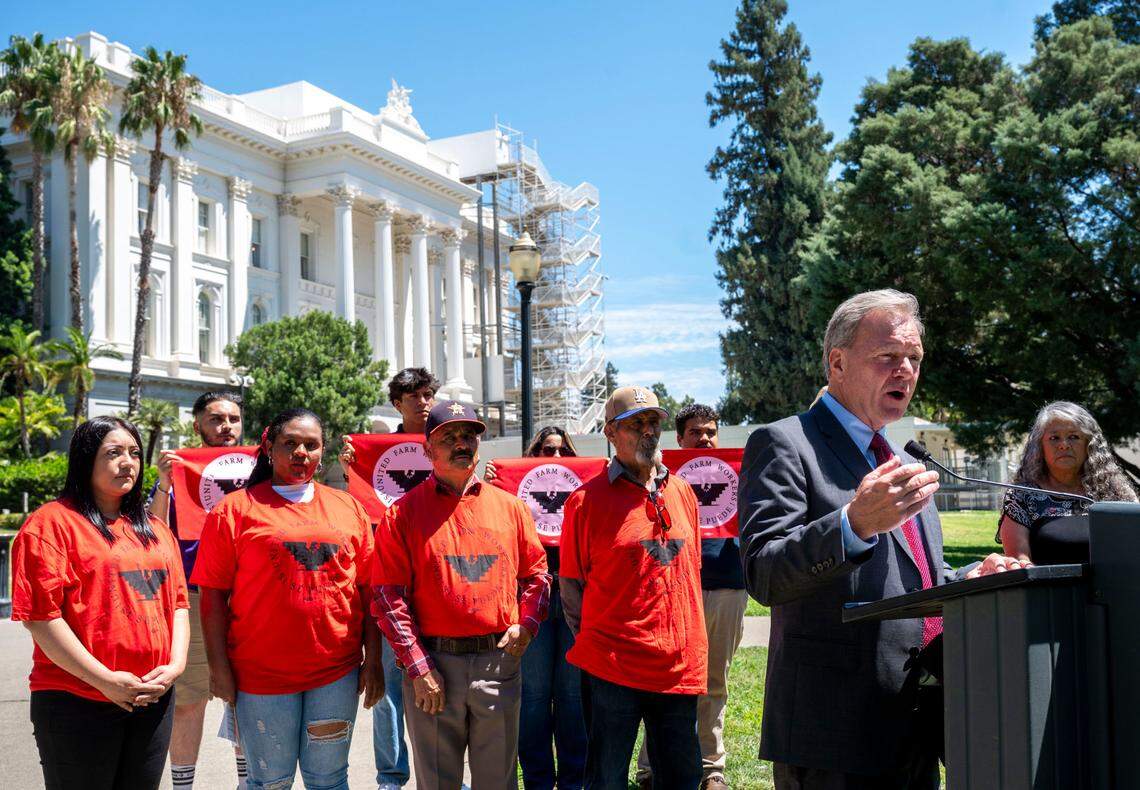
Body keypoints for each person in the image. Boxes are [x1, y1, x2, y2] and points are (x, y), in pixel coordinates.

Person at [739, 289, 1028, 789]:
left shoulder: (901, 461)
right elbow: (765, 574)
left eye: (913, 358)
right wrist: (853, 524)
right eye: (888, 357)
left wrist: (969, 578)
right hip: (834, 728)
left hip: (916, 720)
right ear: (838, 362)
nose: (906, 370)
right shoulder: (786, 443)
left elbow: (917, 580)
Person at [193, 408, 383, 790]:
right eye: (290, 443)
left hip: (335, 674)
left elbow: (368, 591)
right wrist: (219, 668)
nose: (301, 453)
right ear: (269, 446)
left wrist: (374, 659)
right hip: (260, 677)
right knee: (269, 782)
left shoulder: (349, 509)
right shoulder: (234, 510)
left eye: (311, 445)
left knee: (329, 780)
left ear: (322, 450)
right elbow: (212, 596)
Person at [371, 400, 551, 788]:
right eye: (448, 436)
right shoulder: (401, 514)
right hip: (433, 668)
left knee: (498, 782)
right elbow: (388, 597)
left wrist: (527, 626)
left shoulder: (511, 508)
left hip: (497, 665)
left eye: (468, 435)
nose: (461, 443)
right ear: (427, 449)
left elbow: (537, 575)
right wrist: (418, 667)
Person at [12, 416, 190, 790]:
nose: (128, 462)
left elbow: (177, 605)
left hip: (153, 699)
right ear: (85, 460)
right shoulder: (51, 524)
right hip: (76, 700)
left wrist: (174, 667)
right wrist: (104, 680)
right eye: (113, 453)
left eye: (134, 453)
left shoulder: (156, 530)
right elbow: (42, 618)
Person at [560, 386, 708, 790]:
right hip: (613, 668)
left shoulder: (682, 493)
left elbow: (690, 571)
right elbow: (571, 587)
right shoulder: (584, 502)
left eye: (653, 422)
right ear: (610, 432)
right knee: (606, 780)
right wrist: (600, 643)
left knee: (683, 778)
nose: (648, 431)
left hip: (678, 667)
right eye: (635, 424)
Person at [338, 367, 439, 790]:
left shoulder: (450, 437)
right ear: (397, 404)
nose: (422, 401)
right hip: (390, 574)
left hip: (436, 574)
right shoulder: (376, 453)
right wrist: (350, 471)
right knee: (393, 688)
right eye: (412, 395)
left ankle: (438, 776)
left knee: (438, 681)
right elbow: (360, 504)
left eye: (427, 393)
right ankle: (391, 777)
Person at [636, 403, 743, 790]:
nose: (705, 438)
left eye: (711, 431)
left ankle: (711, 768)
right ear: (679, 439)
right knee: (663, 679)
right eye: (696, 432)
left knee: (715, 678)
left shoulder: (737, 473)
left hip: (726, 584)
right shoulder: (655, 476)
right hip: (673, 587)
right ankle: (650, 767)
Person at [150, 391, 247, 789]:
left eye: (234, 418)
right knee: (188, 700)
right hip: (192, 596)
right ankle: (183, 785)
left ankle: (249, 781)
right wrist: (163, 484)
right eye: (216, 418)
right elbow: (153, 533)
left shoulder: (261, 469)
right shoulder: (180, 471)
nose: (226, 426)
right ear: (197, 425)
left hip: (247, 598)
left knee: (247, 698)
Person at [486, 426, 587, 789]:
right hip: (531, 597)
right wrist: (495, 488)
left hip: (577, 597)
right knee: (534, 697)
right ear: (534, 455)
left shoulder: (587, 491)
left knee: (573, 697)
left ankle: (575, 780)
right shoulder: (511, 495)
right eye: (547, 450)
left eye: (563, 452)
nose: (556, 458)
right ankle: (539, 781)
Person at [997, 400, 1137, 561]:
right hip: (1046, 586)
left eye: (1073, 437)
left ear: (1089, 445)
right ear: (1040, 447)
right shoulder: (1021, 496)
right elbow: (1019, 563)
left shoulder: (1116, 492)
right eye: (1054, 438)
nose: (1064, 445)